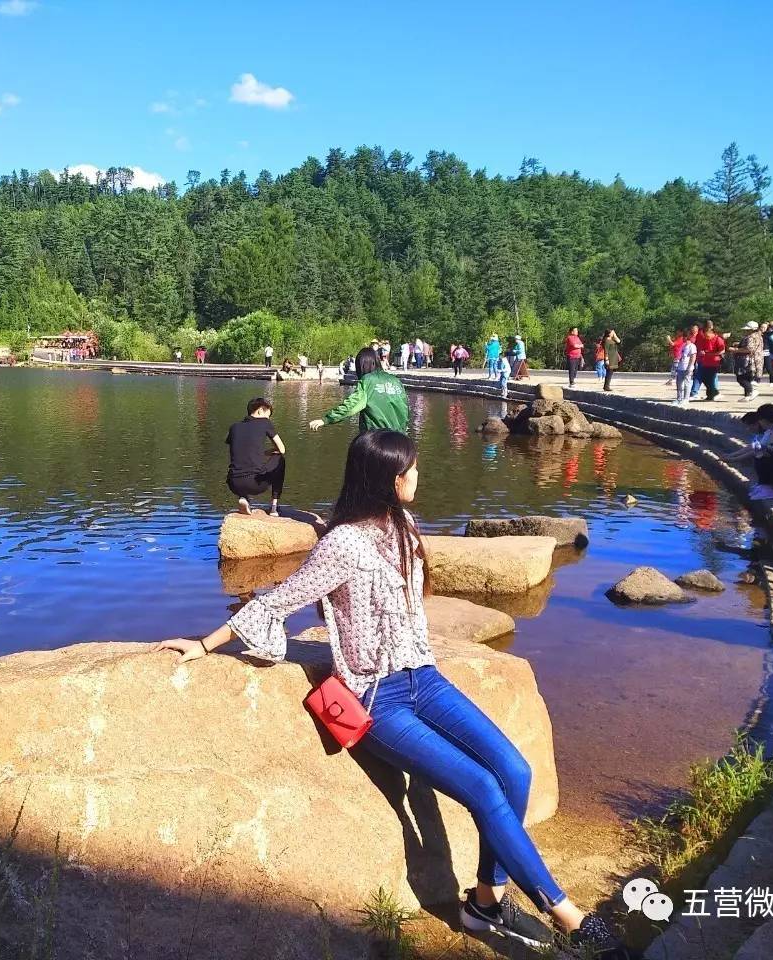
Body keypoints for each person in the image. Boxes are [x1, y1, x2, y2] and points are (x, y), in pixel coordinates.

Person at [153, 431, 642, 960]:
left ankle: (483, 902)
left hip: (424, 678)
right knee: (482, 786)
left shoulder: (403, 526)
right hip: (378, 698)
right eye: (410, 469)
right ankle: (568, 917)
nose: (417, 476)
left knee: (515, 772)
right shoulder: (343, 543)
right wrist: (206, 644)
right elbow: (280, 600)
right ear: (389, 478)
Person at [310, 347, 409, 434]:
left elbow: (351, 406)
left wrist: (326, 419)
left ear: (361, 366)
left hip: (377, 440)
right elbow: (406, 410)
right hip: (401, 441)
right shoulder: (396, 381)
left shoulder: (367, 381)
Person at [225, 397, 287, 517]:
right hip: (255, 483)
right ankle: (274, 507)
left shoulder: (234, 427)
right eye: (267, 415)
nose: (268, 419)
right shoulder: (265, 423)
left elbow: (238, 450)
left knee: (240, 466)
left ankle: (244, 497)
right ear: (260, 411)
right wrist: (267, 453)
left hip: (233, 483)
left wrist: (261, 453)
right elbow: (282, 449)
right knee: (280, 459)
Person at [730, 321, 763, 401]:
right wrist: (739, 344)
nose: (746, 331)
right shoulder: (759, 336)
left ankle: (752, 391)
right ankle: (747, 395)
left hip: (747, 360)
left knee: (741, 378)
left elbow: (749, 349)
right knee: (747, 377)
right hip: (756, 360)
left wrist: (735, 350)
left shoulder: (750, 337)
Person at [694, 321, 727, 401]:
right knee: (705, 378)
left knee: (710, 379)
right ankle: (712, 394)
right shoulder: (703, 337)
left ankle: (713, 393)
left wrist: (711, 354)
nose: (705, 335)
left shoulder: (718, 339)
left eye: (706, 334)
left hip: (714, 361)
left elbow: (722, 350)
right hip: (705, 361)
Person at [673, 330, 697, 406]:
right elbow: (680, 355)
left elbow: (693, 357)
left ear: (687, 337)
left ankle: (686, 399)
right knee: (679, 384)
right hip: (680, 367)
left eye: (683, 337)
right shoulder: (683, 345)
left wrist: (689, 367)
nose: (682, 338)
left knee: (687, 383)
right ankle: (679, 398)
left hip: (687, 367)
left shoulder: (692, 346)